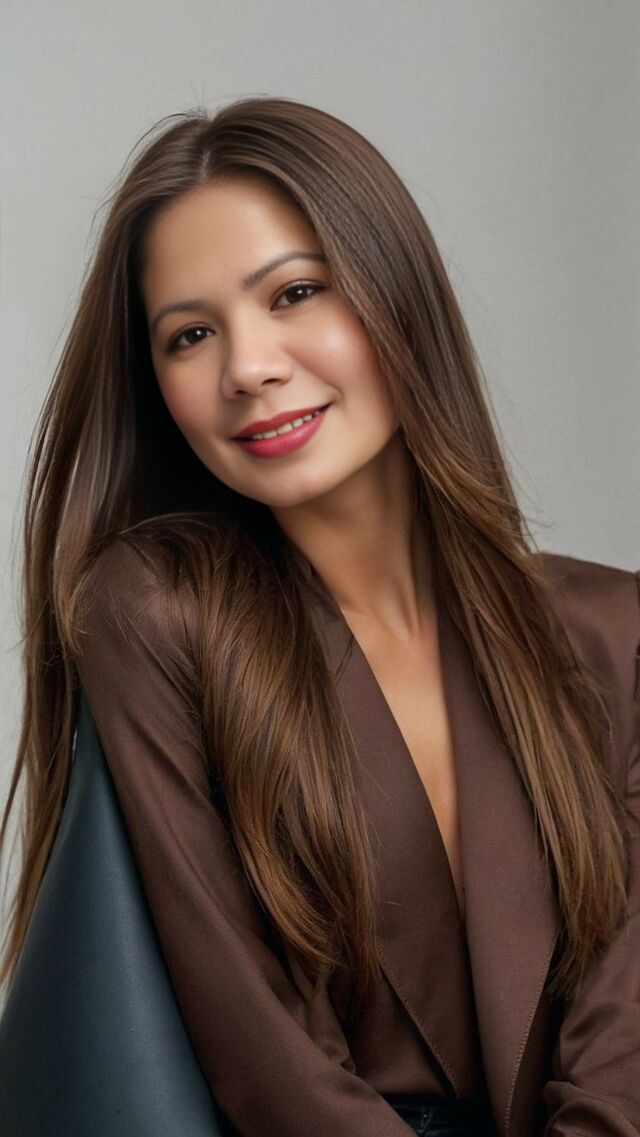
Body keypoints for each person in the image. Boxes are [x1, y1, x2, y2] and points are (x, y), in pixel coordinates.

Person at [0, 95, 638, 1137]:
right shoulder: (158, 613)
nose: (248, 366)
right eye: (190, 334)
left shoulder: (614, 635)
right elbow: (264, 1056)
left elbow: (624, 1047)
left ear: (395, 291)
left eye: (294, 293)